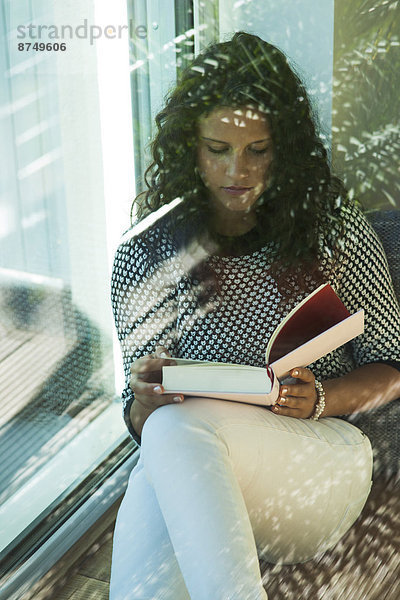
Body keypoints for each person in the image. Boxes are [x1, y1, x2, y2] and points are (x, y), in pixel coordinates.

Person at [109, 32, 400, 600]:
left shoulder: (330, 230)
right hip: (198, 462)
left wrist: (320, 399)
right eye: (217, 148)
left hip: (321, 467)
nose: (236, 170)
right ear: (188, 148)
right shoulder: (145, 255)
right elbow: (143, 424)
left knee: (169, 447)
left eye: (257, 150)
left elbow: (393, 366)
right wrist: (143, 401)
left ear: (283, 149)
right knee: (168, 433)